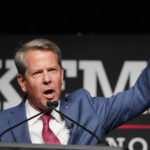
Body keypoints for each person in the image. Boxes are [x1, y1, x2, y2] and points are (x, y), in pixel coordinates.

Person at [0, 38, 150, 145]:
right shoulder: (4, 125)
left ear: (62, 74)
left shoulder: (88, 111)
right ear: (22, 82)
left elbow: (141, 94)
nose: (47, 79)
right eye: (37, 73)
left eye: (52, 70)